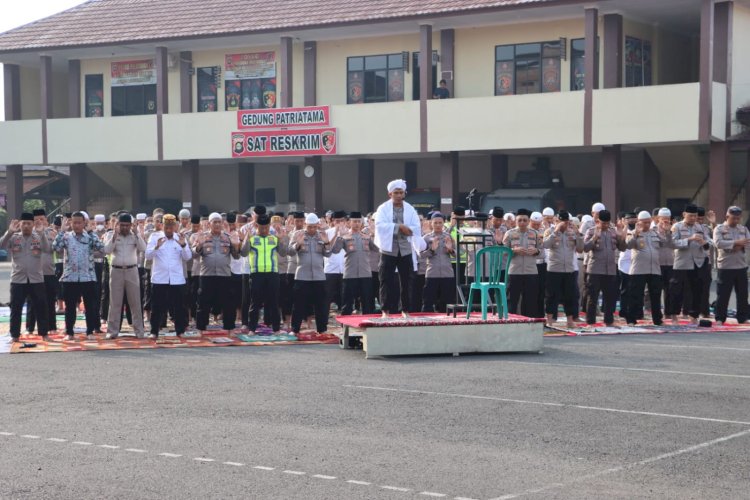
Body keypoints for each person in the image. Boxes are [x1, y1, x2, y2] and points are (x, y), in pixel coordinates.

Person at [53, 212, 105, 341]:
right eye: (74, 222)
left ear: (84, 223)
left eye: (79, 222)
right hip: (70, 277)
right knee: (70, 307)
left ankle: (90, 331)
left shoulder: (89, 237)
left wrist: (91, 232)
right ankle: (70, 332)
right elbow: (55, 247)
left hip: (87, 276)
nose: (76, 225)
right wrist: (61, 231)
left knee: (90, 306)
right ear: (70, 223)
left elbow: (101, 248)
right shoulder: (66, 237)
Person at [374, 179, 421, 318]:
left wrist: (407, 229)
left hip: (405, 249)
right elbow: (379, 226)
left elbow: (416, 227)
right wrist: (399, 227)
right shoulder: (383, 208)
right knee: (385, 280)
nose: (399, 195)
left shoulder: (410, 209)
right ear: (390, 194)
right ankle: (385, 310)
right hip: (388, 249)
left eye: (401, 192)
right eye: (396, 193)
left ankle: (405, 310)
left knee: (406, 281)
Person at [1, 214, 51, 342]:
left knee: (41, 307)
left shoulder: (38, 236)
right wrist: (9, 232)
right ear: (20, 225)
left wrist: (42, 233)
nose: (27, 226)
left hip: (36, 279)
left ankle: (44, 333)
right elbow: (2, 245)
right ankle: (15, 335)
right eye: (24, 223)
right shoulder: (14, 237)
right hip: (18, 279)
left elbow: (47, 249)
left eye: (29, 223)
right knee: (16, 308)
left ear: (33, 225)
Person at [192, 212, 242, 332]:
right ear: (209, 224)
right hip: (207, 275)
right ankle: (201, 327)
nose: (217, 224)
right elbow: (193, 255)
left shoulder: (228, 237)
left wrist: (236, 246)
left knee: (228, 303)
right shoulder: (202, 236)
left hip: (224, 275)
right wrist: (199, 245)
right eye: (215, 222)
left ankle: (229, 327)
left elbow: (236, 257)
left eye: (219, 222)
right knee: (203, 303)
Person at [146, 214, 192, 338]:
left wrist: (183, 245)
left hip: (177, 279)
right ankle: (154, 331)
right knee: (157, 307)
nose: (169, 230)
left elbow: (187, 257)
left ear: (175, 226)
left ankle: (180, 331)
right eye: (167, 227)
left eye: (171, 227)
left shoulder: (180, 238)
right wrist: (156, 247)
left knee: (179, 307)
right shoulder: (155, 237)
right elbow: (148, 256)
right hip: (160, 278)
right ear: (162, 226)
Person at [241, 213, 288, 333]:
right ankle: (252, 329)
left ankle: (276, 329)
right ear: (257, 226)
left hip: (272, 274)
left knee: (274, 302)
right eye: (262, 228)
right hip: (257, 274)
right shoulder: (252, 238)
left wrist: (281, 239)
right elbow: (244, 253)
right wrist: (246, 239)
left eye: (267, 228)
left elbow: (283, 253)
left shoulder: (273, 238)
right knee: (255, 303)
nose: (264, 230)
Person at [103, 213, 147, 339]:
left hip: (132, 271)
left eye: (127, 225)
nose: (125, 228)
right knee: (115, 303)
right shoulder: (111, 235)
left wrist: (137, 233)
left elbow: (143, 248)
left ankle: (139, 332)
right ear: (118, 225)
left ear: (131, 225)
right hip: (116, 271)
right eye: (122, 225)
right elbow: (106, 250)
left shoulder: (134, 236)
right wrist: (114, 236)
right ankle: (112, 332)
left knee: (135, 302)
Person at [667, 204, 713, 325]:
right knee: (677, 290)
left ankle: (693, 315)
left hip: (698, 262)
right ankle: (674, 315)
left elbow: (710, 241)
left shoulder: (701, 227)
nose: (693, 218)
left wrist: (704, 242)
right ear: (684, 215)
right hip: (682, 262)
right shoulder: (677, 226)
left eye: (695, 216)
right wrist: (689, 239)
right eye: (690, 216)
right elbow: (672, 243)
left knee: (697, 290)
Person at [288, 213, 332, 334]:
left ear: (317, 225)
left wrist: (327, 243)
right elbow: (290, 252)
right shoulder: (298, 234)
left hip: (319, 276)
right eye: (309, 227)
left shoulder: (322, 235)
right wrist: (298, 244)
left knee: (321, 305)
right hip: (302, 275)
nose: (312, 229)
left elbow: (328, 254)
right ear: (305, 224)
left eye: (314, 226)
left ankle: (322, 329)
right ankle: (295, 329)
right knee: (298, 304)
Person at [625, 211, 671, 326]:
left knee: (655, 295)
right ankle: (631, 319)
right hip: (638, 270)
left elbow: (666, 243)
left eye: (648, 222)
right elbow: (628, 245)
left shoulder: (654, 233)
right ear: (638, 222)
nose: (646, 225)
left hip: (654, 269)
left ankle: (657, 319)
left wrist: (667, 232)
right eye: (644, 222)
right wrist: (636, 233)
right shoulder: (632, 233)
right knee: (636, 295)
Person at [583, 210, 626, 326]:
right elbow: (585, 248)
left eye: (607, 223)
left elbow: (622, 248)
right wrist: (594, 238)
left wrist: (622, 236)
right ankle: (591, 321)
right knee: (593, 297)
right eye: (603, 223)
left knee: (610, 297)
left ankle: (609, 321)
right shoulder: (591, 231)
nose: (606, 226)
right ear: (598, 221)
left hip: (610, 270)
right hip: (595, 270)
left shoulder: (613, 232)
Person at [331, 211, 378, 315]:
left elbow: (377, 249)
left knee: (367, 303)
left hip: (365, 273)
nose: (356, 224)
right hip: (350, 274)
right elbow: (335, 251)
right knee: (347, 303)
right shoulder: (345, 236)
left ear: (361, 223)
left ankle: (368, 324)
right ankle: (346, 328)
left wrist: (375, 235)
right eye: (354, 221)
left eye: (358, 221)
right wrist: (339, 236)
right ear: (349, 223)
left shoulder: (366, 237)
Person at [543, 210, 583, 328]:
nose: (565, 224)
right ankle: (549, 320)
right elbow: (545, 245)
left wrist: (578, 234)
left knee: (569, 296)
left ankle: (570, 320)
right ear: (557, 221)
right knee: (552, 295)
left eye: (567, 222)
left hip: (569, 269)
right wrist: (556, 231)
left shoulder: (572, 232)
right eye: (562, 222)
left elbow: (580, 249)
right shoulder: (550, 231)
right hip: (554, 268)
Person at [713, 206, 750, 325]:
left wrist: (735, 246)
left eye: (738, 218)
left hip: (741, 266)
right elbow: (718, 243)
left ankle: (742, 317)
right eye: (733, 218)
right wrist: (735, 243)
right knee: (723, 294)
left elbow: (748, 243)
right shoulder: (719, 229)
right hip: (726, 266)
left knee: (743, 295)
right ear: (727, 216)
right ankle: (720, 318)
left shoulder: (743, 229)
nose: (736, 221)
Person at [503, 208, 542, 318]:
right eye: (519, 220)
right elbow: (503, 252)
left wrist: (536, 251)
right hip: (514, 271)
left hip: (531, 271)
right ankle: (510, 322)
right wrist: (513, 251)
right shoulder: (509, 234)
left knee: (530, 300)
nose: (522, 223)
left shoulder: (535, 234)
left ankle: (529, 323)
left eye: (525, 220)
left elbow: (543, 252)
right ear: (516, 221)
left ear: (529, 221)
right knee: (512, 299)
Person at [25, 209, 58, 334]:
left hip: (48, 272)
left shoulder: (52, 233)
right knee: (32, 301)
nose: (39, 222)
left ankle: (52, 326)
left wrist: (57, 238)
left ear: (46, 220)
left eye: (42, 219)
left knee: (50, 300)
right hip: (33, 273)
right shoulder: (27, 234)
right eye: (36, 220)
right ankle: (30, 327)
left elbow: (53, 249)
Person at [420, 213, 456, 312]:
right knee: (428, 302)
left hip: (447, 273)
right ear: (431, 223)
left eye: (440, 223)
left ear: (444, 223)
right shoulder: (426, 238)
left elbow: (457, 254)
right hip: (432, 273)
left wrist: (450, 250)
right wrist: (431, 250)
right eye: (435, 223)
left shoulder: (448, 237)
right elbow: (421, 255)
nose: (438, 225)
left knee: (447, 302)